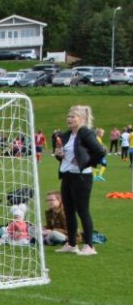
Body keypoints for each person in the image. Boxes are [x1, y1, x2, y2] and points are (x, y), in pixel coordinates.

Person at [53, 104, 106, 256]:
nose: (69, 119)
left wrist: (86, 163)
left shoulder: (86, 133)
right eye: (68, 116)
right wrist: (59, 154)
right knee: (68, 211)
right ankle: (71, 244)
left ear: (82, 119)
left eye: (73, 116)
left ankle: (89, 246)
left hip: (81, 177)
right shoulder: (67, 135)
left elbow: (100, 151)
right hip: (67, 175)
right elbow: (63, 156)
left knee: (82, 210)